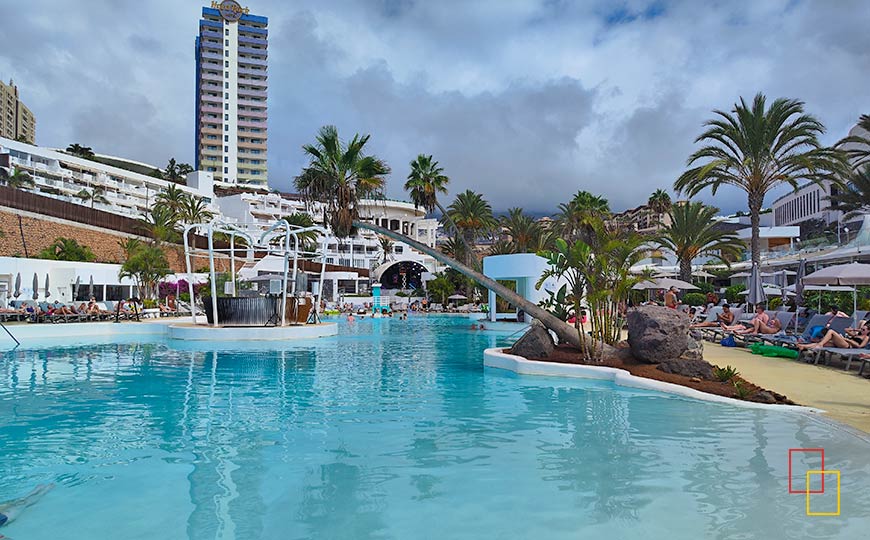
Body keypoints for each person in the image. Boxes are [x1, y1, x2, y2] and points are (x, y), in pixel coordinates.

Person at [798, 325, 870, 350]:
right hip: (843, 342)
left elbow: (859, 346)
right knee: (824, 343)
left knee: (831, 331)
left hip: (848, 345)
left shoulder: (866, 337)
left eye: (863, 330)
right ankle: (804, 346)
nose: (862, 330)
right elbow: (846, 329)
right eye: (861, 329)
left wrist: (847, 339)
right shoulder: (857, 335)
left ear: (868, 331)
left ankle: (820, 345)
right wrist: (857, 330)